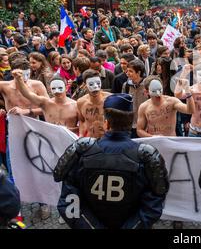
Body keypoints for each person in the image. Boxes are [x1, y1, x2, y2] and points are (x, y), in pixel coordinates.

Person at [54, 94, 170, 229]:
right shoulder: (146, 155)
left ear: (106, 123)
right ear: (130, 123)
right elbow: (155, 202)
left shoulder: (82, 152)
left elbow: (68, 201)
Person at [13, 71, 78, 133]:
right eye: (53, 88)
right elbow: (27, 94)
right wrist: (19, 80)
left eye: (60, 88)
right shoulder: (46, 103)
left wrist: (67, 130)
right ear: (50, 89)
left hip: (70, 141)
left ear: (66, 88)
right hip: (50, 141)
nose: (57, 91)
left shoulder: (75, 105)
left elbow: (83, 126)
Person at [77, 69, 111, 138]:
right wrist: (81, 135)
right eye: (91, 84)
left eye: (98, 83)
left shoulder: (110, 99)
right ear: (85, 85)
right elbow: (81, 120)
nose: (95, 87)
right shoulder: (81, 102)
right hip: (90, 140)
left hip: (108, 139)